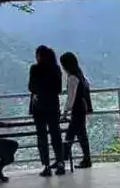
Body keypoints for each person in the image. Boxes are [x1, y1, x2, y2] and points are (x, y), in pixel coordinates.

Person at [28, 46, 65, 177]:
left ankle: (47, 166)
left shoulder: (35, 69)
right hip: (53, 106)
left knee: (42, 137)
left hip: (39, 107)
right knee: (56, 134)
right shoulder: (56, 69)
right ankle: (60, 163)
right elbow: (59, 89)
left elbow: (31, 87)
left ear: (40, 56)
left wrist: (40, 91)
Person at [60, 51, 93, 169]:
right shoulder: (81, 76)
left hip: (77, 109)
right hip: (82, 109)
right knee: (80, 135)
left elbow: (71, 97)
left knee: (70, 135)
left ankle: (61, 160)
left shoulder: (72, 78)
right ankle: (86, 159)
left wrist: (65, 112)